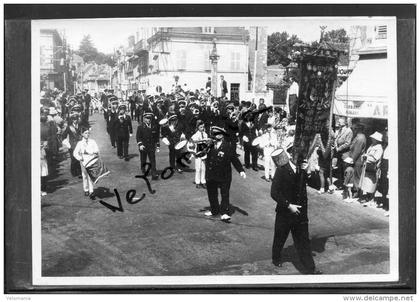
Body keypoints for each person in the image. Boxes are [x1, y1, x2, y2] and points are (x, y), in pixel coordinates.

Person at [270, 147, 322, 274]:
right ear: (291, 155)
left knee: (303, 241)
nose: (300, 158)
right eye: (298, 155)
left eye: (302, 155)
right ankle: (276, 258)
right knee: (280, 237)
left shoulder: (303, 169)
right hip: (285, 212)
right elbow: (274, 193)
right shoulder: (282, 169)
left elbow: (317, 185)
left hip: (300, 213)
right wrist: (288, 205)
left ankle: (310, 269)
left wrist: (310, 172)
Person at [204, 126, 246, 221]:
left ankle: (224, 212)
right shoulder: (210, 145)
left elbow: (234, 159)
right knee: (212, 193)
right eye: (214, 134)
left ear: (222, 135)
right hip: (211, 173)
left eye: (218, 134)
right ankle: (214, 210)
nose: (216, 136)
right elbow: (201, 153)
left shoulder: (227, 146)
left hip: (224, 174)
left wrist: (241, 170)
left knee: (224, 194)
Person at [73, 127, 99, 199]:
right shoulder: (80, 143)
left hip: (91, 161)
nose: (87, 134)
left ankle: (91, 191)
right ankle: (86, 189)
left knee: (90, 176)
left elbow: (97, 150)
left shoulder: (92, 141)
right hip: (84, 161)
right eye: (85, 133)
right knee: (84, 175)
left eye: (88, 133)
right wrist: (80, 158)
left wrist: (92, 152)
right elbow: (75, 153)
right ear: (82, 134)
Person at [359, 131, 384, 207]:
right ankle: (367, 197)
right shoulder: (372, 145)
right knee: (367, 183)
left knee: (372, 184)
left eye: (374, 138)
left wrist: (366, 157)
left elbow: (375, 158)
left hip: (372, 167)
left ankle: (371, 199)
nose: (372, 139)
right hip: (367, 166)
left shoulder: (379, 148)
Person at [136, 112, 160, 179]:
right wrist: (140, 145)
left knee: (152, 160)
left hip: (151, 146)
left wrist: (157, 145)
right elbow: (138, 137)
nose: (148, 119)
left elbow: (156, 137)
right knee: (143, 160)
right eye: (147, 118)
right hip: (143, 146)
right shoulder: (140, 127)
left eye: (150, 118)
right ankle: (143, 169)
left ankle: (154, 174)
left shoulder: (154, 127)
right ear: (144, 119)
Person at [333, 117, 353, 189]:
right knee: (340, 169)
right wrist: (335, 145)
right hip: (339, 152)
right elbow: (336, 139)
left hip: (345, 153)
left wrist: (339, 148)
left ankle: (345, 185)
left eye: (339, 122)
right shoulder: (339, 130)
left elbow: (348, 143)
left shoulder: (349, 131)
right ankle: (341, 184)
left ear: (344, 123)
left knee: (345, 169)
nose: (338, 123)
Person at [191, 120, 208, 189]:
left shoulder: (205, 134)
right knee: (198, 168)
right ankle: (197, 182)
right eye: (201, 127)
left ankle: (203, 181)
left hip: (204, 152)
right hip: (198, 152)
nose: (202, 129)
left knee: (203, 168)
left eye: (203, 127)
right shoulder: (195, 135)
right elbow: (193, 141)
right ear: (198, 127)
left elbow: (206, 142)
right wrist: (201, 140)